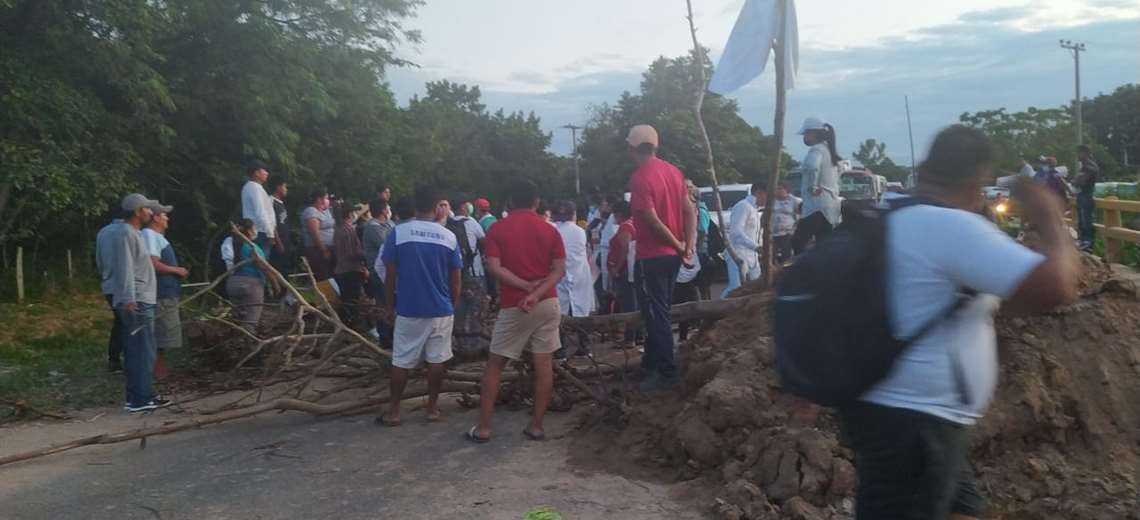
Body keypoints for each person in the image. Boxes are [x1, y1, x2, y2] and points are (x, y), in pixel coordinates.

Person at [844, 125, 1079, 519]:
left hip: (907, 416)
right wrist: (1050, 216)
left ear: (924, 168)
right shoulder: (951, 227)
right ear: (978, 180)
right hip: (915, 422)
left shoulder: (896, 219)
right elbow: (1055, 287)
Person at [468, 180, 566, 443]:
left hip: (515, 305)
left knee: (495, 365)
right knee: (544, 364)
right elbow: (558, 270)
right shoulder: (550, 231)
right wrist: (536, 293)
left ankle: (484, 428)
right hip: (547, 303)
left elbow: (494, 267)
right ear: (536, 202)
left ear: (511, 202)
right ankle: (536, 426)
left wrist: (525, 289)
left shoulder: (498, 230)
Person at [377, 186, 463, 426]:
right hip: (441, 308)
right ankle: (433, 408)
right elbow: (456, 278)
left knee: (402, 360)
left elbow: (390, 275)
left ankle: (394, 411)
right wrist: (453, 305)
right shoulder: (448, 236)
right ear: (437, 208)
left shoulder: (399, 233)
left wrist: (388, 305)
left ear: (415, 207)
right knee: (437, 360)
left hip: (409, 307)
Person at [626, 124, 697, 392]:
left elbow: (652, 222)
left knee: (657, 314)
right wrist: (686, 246)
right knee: (656, 310)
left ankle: (666, 371)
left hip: (652, 255)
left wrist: (680, 246)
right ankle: (651, 361)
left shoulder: (640, 178)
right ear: (655, 146)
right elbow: (689, 211)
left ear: (631, 148)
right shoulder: (673, 172)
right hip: (672, 256)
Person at [95, 193, 169, 412]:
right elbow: (125, 267)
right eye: (147, 209)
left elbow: (101, 264)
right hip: (135, 298)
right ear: (138, 212)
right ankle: (139, 398)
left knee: (134, 347)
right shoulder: (127, 233)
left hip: (119, 292)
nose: (151, 213)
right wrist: (128, 298)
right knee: (142, 349)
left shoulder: (107, 232)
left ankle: (139, 394)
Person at [141, 207, 189, 381]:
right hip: (160, 293)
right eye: (163, 215)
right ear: (154, 218)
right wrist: (176, 270)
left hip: (167, 292)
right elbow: (152, 263)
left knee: (164, 335)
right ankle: (157, 373)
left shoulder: (156, 237)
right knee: (160, 335)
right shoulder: (149, 235)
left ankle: (160, 371)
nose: (167, 218)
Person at [792, 117, 842, 254]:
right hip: (831, 206)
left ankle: (803, 270)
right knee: (825, 243)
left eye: (806, 134)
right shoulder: (829, 151)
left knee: (797, 242)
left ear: (813, 134)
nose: (805, 137)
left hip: (815, 207)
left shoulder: (816, 150)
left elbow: (812, 167)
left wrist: (812, 186)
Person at [553, 200, 594, 357]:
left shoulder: (554, 230)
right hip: (579, 273)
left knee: (560, 311)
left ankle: (561, 349)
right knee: (581, 309)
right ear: (573, 214)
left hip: (560, 273)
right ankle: (585, 346)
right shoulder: (580, 231)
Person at [607, 201, 640, 346]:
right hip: (631, 269)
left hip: (625, 270)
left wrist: (616, 268)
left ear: (620, 214)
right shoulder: (634, 223)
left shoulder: (625, 226)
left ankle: (630, 338)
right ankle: (638, 335)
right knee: (635, 303)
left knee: (629, 305)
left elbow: (624, 250)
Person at [227, 219, 270, 330]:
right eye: (254, 228)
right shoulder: (253, 247)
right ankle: (248, 341)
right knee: (251, 320)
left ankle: (235, 342)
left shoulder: (230, 244)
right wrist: (275, 284)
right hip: (252, 284)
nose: (256, 230)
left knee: (238, 318)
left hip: (232, 283)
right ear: (249, 231)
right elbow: (264, 267)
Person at [723, 183, 764, 297]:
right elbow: (736, 232)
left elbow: (754, 234)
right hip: (738, 254)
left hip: (753, 257)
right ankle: (715, 310)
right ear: (759, 193)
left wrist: (759, 248)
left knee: (756, 288)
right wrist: (756, 247)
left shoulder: (755, 210)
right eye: (768, 195)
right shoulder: (743, 206)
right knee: (736, 289)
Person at [362, 198, 395, 339]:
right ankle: (385, 337)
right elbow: (389, 244)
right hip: (378, 272)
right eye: (388, 208)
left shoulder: (387, 224)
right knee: (383, 304)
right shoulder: (372, 227)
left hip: (389, 271)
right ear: (383, 210)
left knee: (391, 303)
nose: (389, 211)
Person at [333, 203, 369, 327]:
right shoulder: (348, 231)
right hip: (350, 270)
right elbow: (352, 253)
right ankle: (355, 326)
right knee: (353, 301)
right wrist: (367, 257)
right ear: (349, 215)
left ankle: (346, 325)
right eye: (353, 213)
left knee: (346, 300)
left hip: (341, 270)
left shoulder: (338, 229)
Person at [241, 160, 277, 252]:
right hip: (260, 232)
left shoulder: (249, 187)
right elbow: (261, 212)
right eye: (264, 170)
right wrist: (270, 234)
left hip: (255, 231)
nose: (266, 173)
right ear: (256, 173)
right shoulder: (255, 188)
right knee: (261, 262)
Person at [301, 189, 336, 281]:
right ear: (319, 199)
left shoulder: (325, 211)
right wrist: (323, 249)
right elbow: (314, 233)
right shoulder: (311, 211)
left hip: (330, 247)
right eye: (325, 198)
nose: (327, 200)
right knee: (323, 276)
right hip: (317, 250)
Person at [687, 182, 714, 300]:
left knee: (702, 285)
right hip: (696, 250)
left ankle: (707, 312)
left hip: (700, 251)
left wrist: (692, 245)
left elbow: (702, 230)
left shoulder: (700, 210)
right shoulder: (696, 209)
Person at [1073, 145, 1100, 252]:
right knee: (1081, 221)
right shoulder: (1084, 166)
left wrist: (1076, 180)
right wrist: (1076, 180)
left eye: (1080, 152)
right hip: (1081, 195)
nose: (1078, 155)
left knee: (1086, 221)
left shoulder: (1090, 166)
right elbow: (1076, 180)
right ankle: (1083, 240)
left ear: (1087, 153)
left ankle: (1088, 242)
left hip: (1087, 196)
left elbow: (1079, 181)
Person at [770, 183, 801, 264]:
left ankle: (786, 272)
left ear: (786, 190)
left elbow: (799, 215)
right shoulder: (771, 201)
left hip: (787, 233)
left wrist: (795, 229)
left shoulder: (794, 201)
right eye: (776, 189)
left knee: (786, 256)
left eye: (780, 188)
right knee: (770, 255)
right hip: (772, 233)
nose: (778, 191)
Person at [267, 177, 292, 274]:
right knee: (277, 271)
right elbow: (271, 224)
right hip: (277, 244)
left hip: (285, 242)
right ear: (278, 187)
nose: (286, 189)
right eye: (285, 187)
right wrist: (278, 243)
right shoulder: (270, 201)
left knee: (284, 271)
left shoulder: (281, 203)